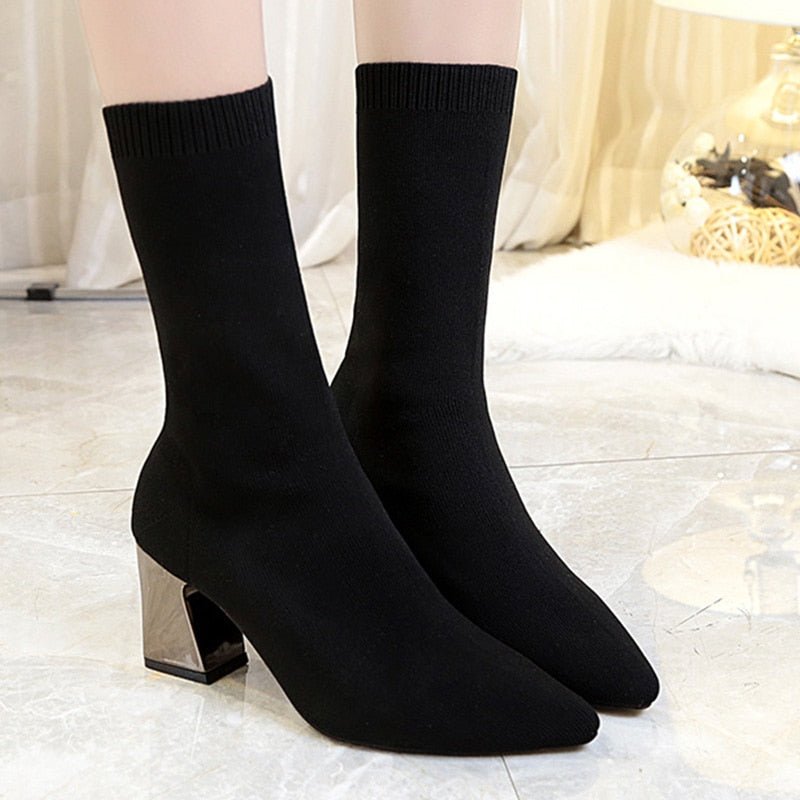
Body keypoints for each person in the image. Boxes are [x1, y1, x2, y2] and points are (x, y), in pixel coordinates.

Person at [76, 0, 658, 756]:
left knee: (426, 392)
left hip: (400, 433)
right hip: (244, 478)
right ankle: (244, 461)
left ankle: (414, 416)